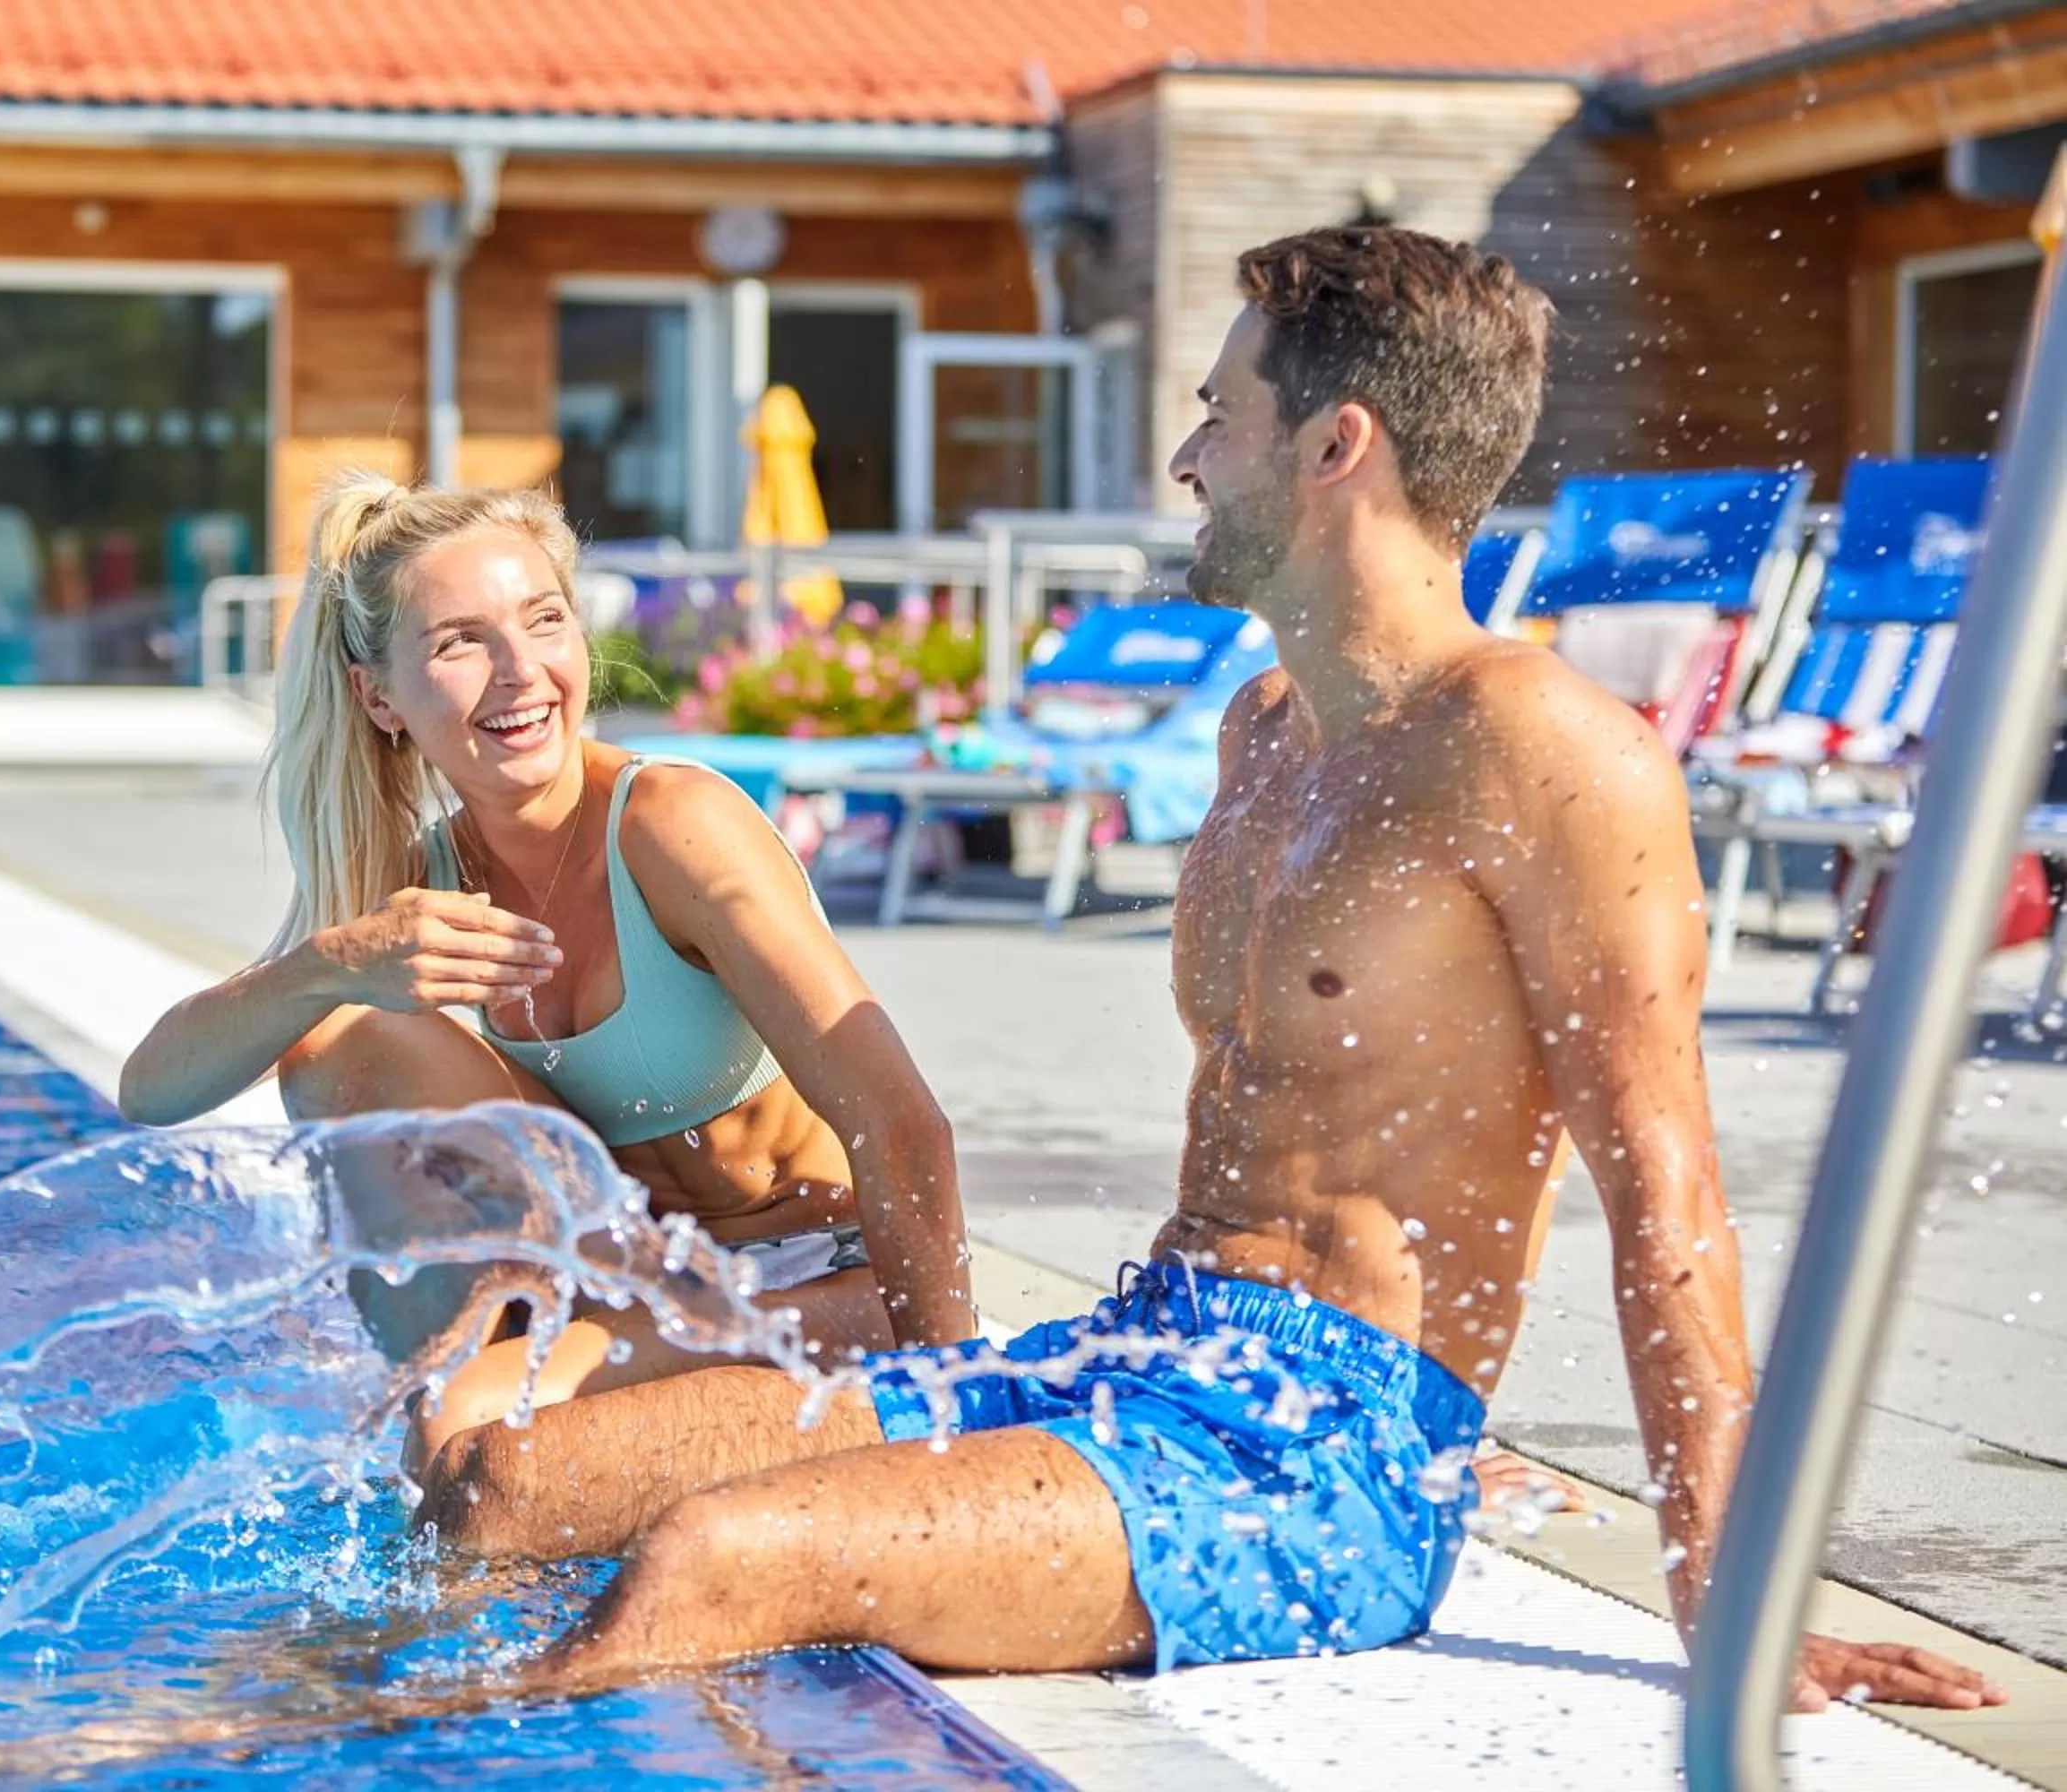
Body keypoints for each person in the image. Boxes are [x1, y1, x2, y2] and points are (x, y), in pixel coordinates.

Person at [409, 227, 2010, 1716]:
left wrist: (1725, 1585)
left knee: (716, 1556)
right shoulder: (1261, 733)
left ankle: (342, 1740)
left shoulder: (1547, 754)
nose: (1181, 461)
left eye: (1215, 419)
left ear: (1337, 448)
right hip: (1138, 1347)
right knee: (505, 1487)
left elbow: (1669, 1191)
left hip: (1321, 1460)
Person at [119, 476, 971, 1462]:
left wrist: (954, 1412)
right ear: (378, 696)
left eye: (544, 621)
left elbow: (904, 1125)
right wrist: (327, 962)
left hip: (826, 1279)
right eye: (460, 641)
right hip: (639, 1288)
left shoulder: (673, 827)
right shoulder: (416, 889)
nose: (520, 671)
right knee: (333, 1035)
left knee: (463, 1424)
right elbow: (152, 1089)